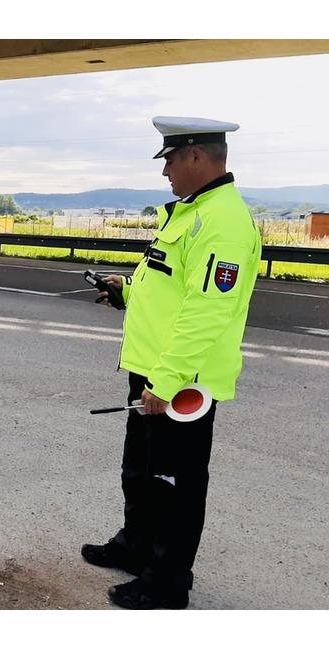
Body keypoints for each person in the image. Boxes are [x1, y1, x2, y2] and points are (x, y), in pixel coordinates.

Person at [81, 116, 262, 609]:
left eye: (170, 161)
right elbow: (168, 283)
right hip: (153, 370)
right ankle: (136, 547)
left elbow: (208, 310)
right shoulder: (188, 212)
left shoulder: (221, 221)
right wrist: (125, 293)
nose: (165, 173)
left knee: (173, 484)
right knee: (140, 471)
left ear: (197, 157)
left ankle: (166, 583)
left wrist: (167, 380)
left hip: (181, 382)